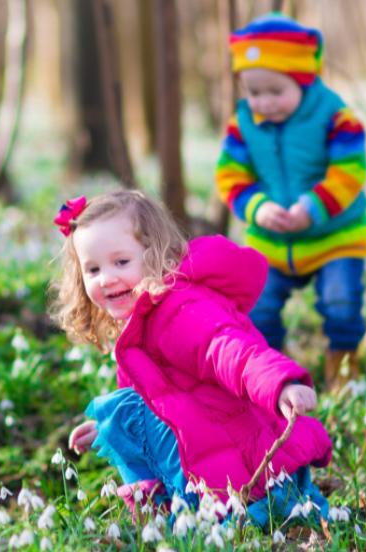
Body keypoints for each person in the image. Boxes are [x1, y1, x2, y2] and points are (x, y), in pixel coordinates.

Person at [49, 190, 332, 528]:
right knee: (121, 413)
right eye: (93, 269)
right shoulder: (143, 323)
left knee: (122, 409)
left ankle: (189, 510)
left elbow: (227, 349)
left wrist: (279, 383)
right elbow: (159, 398)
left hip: (248, 471)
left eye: (121, 262)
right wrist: (108, 432)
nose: (106, 278)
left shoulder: (178, 310)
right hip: (224, 459)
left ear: (156, 256)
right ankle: (182, 509)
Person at [215, 13, 366, 389]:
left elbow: (349, 170)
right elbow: (230, 174)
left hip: (335, 235)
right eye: (253, 92)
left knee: (341, 302)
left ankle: (344, 366)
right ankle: (273, 374)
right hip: (271, 238)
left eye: (275, 91)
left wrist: (312, 208)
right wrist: (257, 207)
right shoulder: (243, 123)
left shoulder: (335, 116)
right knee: (259, 307)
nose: (263, 102)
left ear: (304, 79)